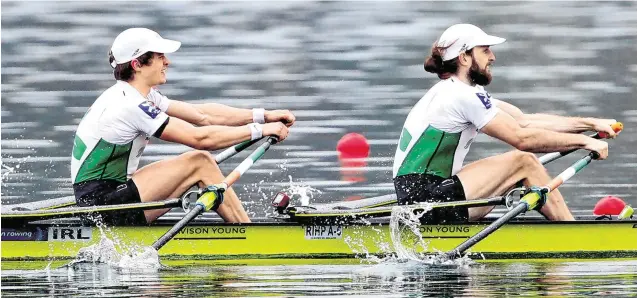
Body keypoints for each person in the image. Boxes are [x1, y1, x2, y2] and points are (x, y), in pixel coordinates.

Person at [392, 24, 618, 223]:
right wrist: (585, 142)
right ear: (464, 57)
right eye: (485, 50)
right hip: (425, 202)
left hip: (430, 194)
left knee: (523, 163)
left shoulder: (463, 91)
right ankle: (572, 234)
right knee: (524, 161)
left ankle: (567, 226)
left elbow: (524, 122)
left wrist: (591, 124)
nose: (492, 57)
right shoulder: (460, 96)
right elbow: (522, 139)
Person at [71, 28, 295, 225]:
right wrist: (261, 131)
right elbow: (200, 139)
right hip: (102, 210)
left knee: (198, 163)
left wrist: (263, 116)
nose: (167, 62)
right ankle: (248, 236)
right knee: (200, 162)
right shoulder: (129, 104)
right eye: (160, 57)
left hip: (111, 196)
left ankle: (243, 229)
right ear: (137, 64)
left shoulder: (139, 95)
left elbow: (202, 115)